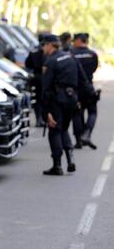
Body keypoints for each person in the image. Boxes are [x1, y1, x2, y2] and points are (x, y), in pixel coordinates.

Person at [42, 34, 85, 175]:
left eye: (44, 45)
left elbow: (46, 89)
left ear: (49, 45)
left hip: (57, 100)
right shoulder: (70, 57)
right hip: (71, 99)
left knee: (54, 131)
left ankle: (57, 165)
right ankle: (70, 159)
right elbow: (81, 79)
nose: (43, 48)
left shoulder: (51, 61)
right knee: (64, 129)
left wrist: (46, 112)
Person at [71, 33, 99, 150]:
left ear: (78, 40)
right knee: (92, 112)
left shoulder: (71, 54)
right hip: (88, 86)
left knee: (77, 113)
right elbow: (94, 68)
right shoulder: (92, 54)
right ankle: (87, 133)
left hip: (76, 87)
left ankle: (78, 141)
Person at [25, 34, 46, 127]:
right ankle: (42, 118)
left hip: (36, 76)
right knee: (44, 99)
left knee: (38, 99)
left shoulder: (34, 50)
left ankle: (39, 119)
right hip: (44, 77)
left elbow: (28, 64)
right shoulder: (46, 51)